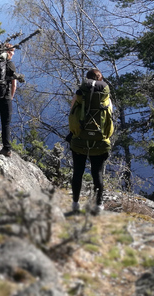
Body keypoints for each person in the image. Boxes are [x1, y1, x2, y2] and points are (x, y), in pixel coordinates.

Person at [68, 68, 114, 213]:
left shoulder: (79, 95)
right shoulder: (106, 98)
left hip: (79, 140)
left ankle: (75, 204)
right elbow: (110, 119)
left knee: (78, 172)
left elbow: (71, 114)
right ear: (100, 80)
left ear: (86, 80)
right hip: (99, 142)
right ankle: (99, 205)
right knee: (97, 173)